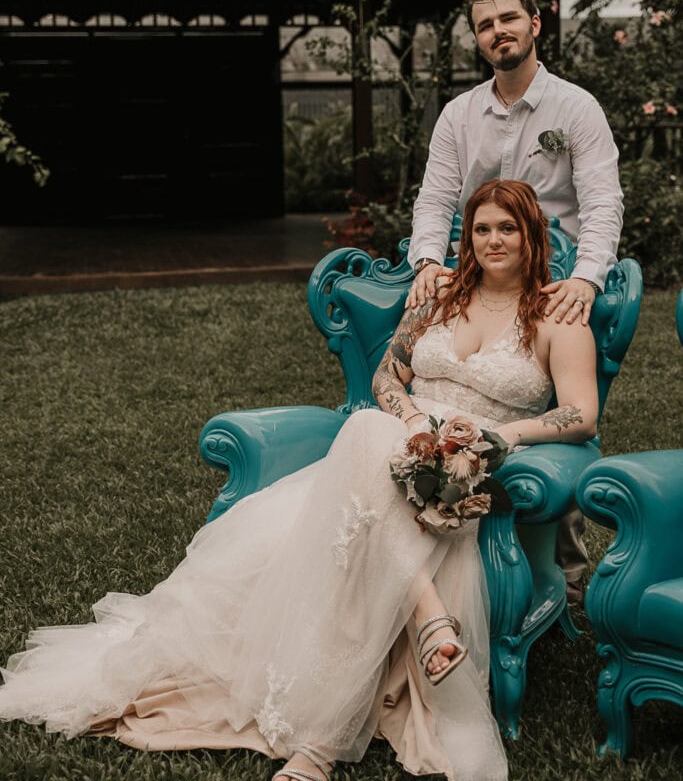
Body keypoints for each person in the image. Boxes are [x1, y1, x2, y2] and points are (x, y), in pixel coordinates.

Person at [0, 180, 598, 781]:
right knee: (370, 429)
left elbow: (581, 413)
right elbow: (390, 375)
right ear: (468, 236)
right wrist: (415, 418)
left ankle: (320, 744)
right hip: (399, 440)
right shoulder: (437, 297)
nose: (493, 240)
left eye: (508, 228)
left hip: (466, 466)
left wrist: (502, 436)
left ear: (531, 235)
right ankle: (428, 615)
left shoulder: (557, 315)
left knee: (367, 454)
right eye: (482, 228)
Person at [407, 0, 622, 600]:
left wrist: (585, 278)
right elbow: (436, 196)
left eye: (508, 18)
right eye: (484, 25)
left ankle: (564, 575)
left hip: (555, 277)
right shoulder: (460, 114)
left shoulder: (574, 108)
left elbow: (603, 199)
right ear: (478, 40)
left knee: (547, 402)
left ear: (534, 23)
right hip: (478, 268)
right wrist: (427, 260)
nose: (497, 31)